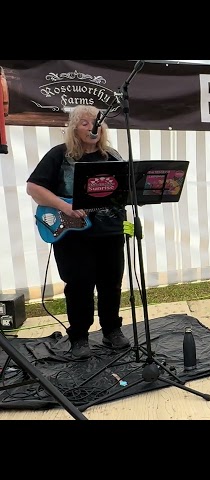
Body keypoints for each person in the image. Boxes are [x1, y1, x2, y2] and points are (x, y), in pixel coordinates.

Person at [26, 105, 131, 360]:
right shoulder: (59, 155)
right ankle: (79, 337)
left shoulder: (113, 157)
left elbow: (125, 190)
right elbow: (33, 188)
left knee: (111, 284)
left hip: (111, 232)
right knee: (79, 285)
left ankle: (111, 330)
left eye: (96, 122)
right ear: (74, 128)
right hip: (73, 236)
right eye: (84, 123)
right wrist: (66, 206)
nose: (92, 127)